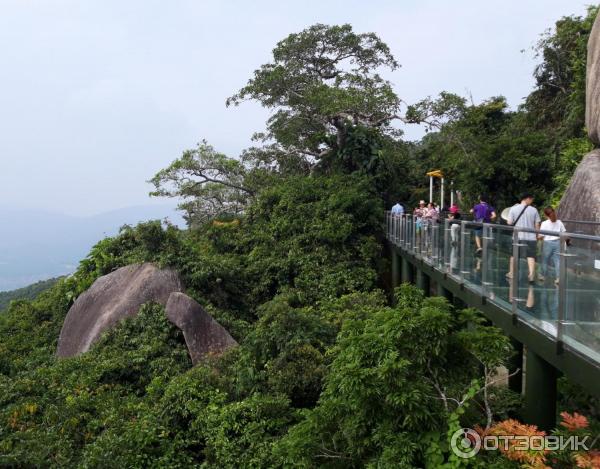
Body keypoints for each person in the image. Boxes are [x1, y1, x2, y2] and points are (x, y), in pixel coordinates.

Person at [506, 193, 541, 283]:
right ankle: (532, 274)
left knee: (514, 255)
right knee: (531, 256)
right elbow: (537, 224)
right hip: (531, 237)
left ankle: (512, 273)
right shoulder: (534, 210)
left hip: (518, 236)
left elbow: (509, 222)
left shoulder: (513, 209)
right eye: (531, 199)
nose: (532, 201)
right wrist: (537, 235)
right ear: (527, 199)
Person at [538, 207, 566, 286]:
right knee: (558, 261)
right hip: (557, 242)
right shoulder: (559, 222)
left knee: (545, 260)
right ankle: (558, 278)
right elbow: (564, 232)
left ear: (545, 215)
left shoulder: (544, 223)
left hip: (547, 243)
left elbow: (541, 236)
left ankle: (542, 276)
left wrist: (537, 237)